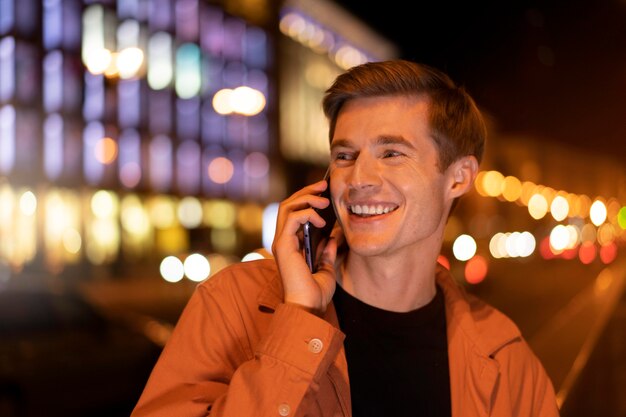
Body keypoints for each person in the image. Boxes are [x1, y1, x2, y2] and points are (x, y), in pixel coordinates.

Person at [131, 59, 559, 417]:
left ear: (459, 177)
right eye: (344, 156)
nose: (358, 178)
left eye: (391, 153)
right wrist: (297, 317)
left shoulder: (504, 357)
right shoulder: (233, 302)